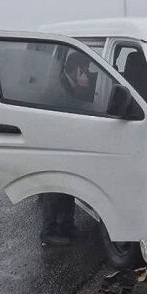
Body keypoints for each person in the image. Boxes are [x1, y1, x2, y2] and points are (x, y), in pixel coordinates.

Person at [40, 51, 95, 246]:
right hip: (55, 143)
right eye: (86, 68)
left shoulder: (69, 83)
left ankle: (66, 226)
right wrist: (82, 89)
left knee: (69, 186)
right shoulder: (58, 87)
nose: (88, 73)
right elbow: (72, 108)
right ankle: (48, 232)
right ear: (76, 68)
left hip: (67, 142)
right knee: (54, 188)